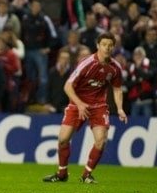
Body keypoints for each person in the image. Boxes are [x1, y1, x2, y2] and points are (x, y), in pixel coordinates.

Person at [43, 32, 128, 183]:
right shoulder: (87, 63)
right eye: (104, 45)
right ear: (98, 46)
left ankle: (86, 175)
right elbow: (67, 86)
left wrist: (120, 108)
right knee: (63, 140)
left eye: (110, 45)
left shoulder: (115, 68)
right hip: (78, 104)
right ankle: (62, 173)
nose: (107, 48)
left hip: (99, 106)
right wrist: (80, 104)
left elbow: (117, 88)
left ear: (113, 47)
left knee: (101, 141)